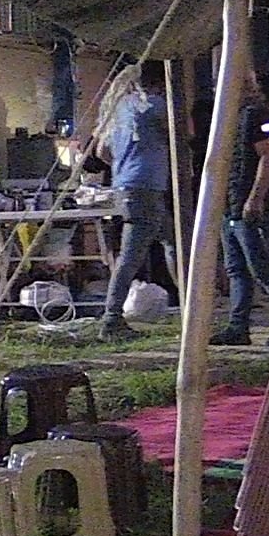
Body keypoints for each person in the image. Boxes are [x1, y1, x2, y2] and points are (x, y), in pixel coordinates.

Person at [211, 72, 269, 346]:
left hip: (247, 203)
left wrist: (255, 198)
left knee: (261, 266)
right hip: (231, 203)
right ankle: (238, 327)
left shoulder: (255, 115)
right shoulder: (229, 117)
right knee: (236, 268)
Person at [96, 61, 171, 341]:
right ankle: (111, 318)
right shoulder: (155, 106)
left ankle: (189, 304)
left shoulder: (118, 109)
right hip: (147, 185)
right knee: (130, 256)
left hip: (124, 185)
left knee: (172, 240)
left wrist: (126, 161)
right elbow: (181, 134)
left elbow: (103, 152)